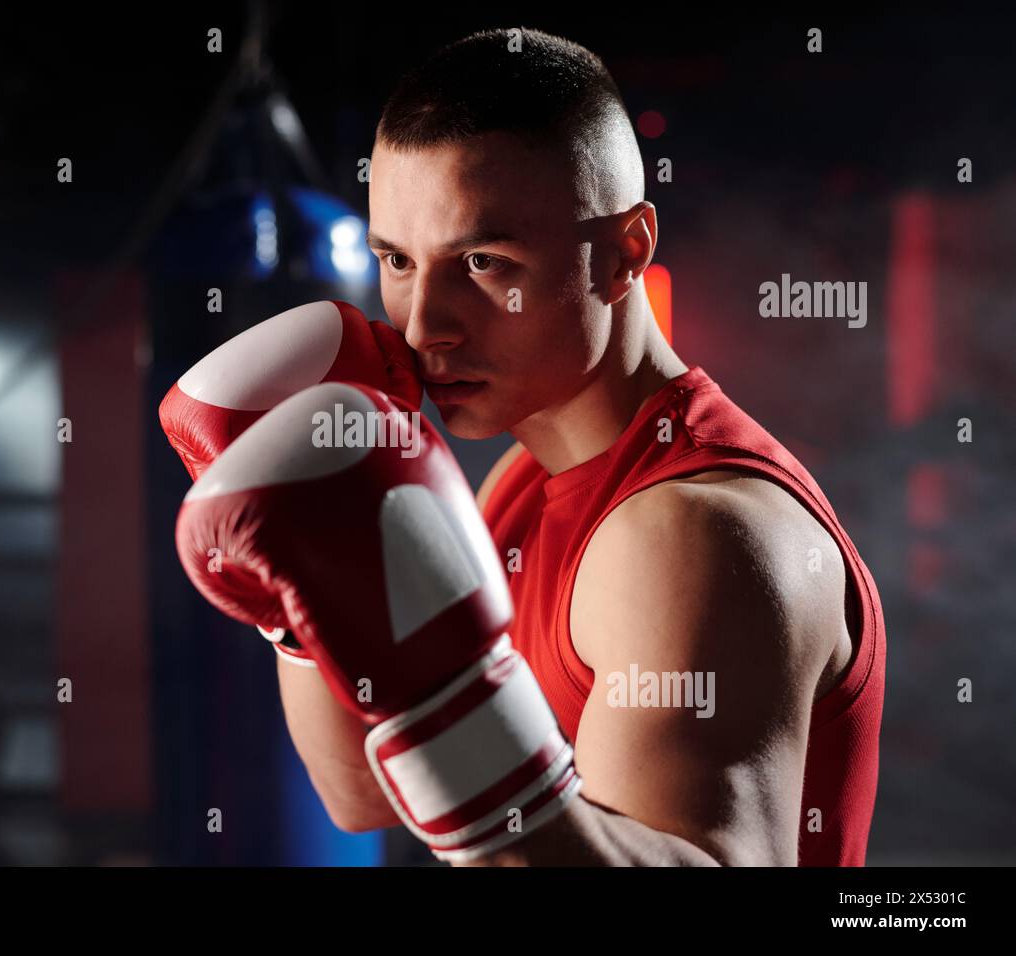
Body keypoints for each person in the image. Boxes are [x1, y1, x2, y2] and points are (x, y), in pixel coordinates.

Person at [162, 28, 884, 866]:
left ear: (625, 253)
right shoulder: (519, 482)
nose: (424, 324)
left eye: (482, 261)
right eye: (397, 260)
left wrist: (475, 742)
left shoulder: (692, 533)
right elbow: (360, 795)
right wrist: (293, 617)